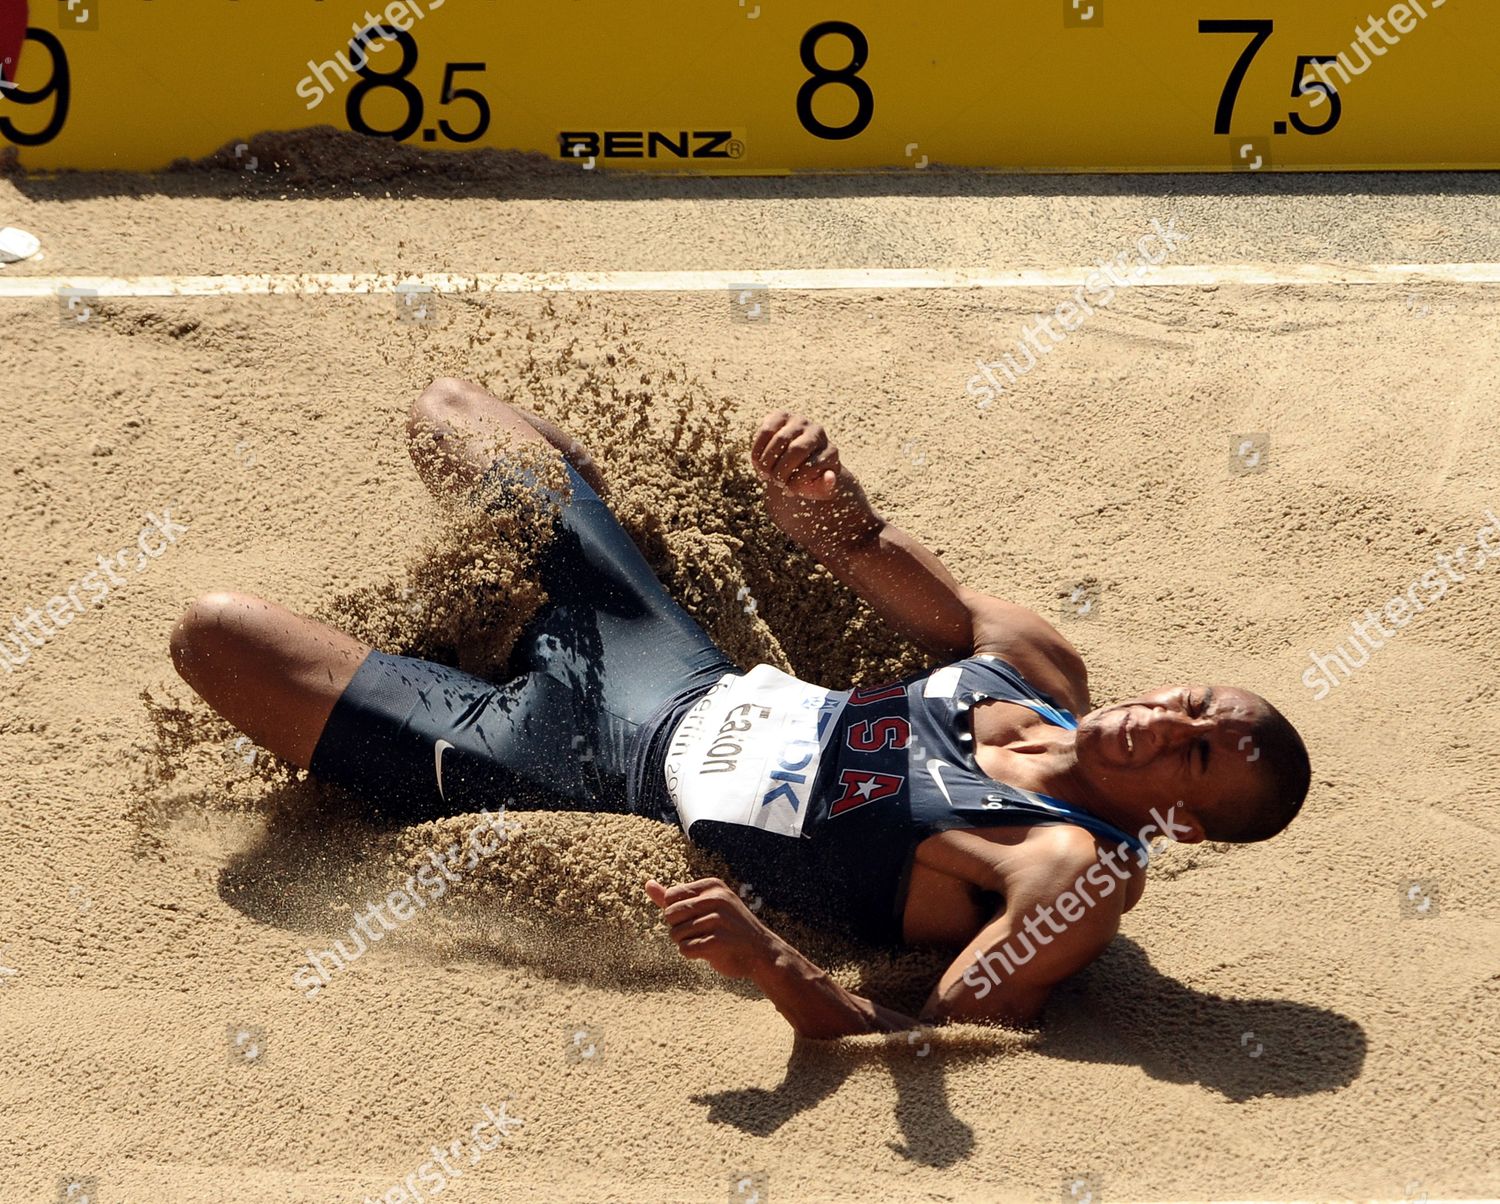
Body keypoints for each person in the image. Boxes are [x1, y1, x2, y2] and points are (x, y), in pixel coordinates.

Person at [170, 377, 1310, 1038]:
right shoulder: (1039, 668)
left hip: (583, 780)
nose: (1161, 721)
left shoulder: (1072, 871)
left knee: (212, 634)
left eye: (1195, 757)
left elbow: (938, 1035)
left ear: (1185, 825)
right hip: (669, 661)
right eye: (1192, 703)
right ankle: (535, 579)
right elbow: (861, 552)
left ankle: (418, 719)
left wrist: (777, 966)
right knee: (447, 412)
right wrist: (822, 497)